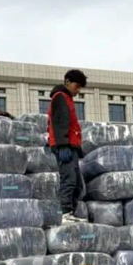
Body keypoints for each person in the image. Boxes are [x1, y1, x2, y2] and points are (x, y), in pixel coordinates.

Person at [48, 69, 88, 224]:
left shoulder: (68, 98)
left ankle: (71, 212)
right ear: (67, 82)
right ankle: (65, 213)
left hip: (71, 145)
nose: (78, 91)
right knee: (69, 179)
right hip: (65, 146)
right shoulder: (60, 97)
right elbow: (59, 122)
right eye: (76, 86)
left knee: (77, 184)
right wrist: (62, 145)